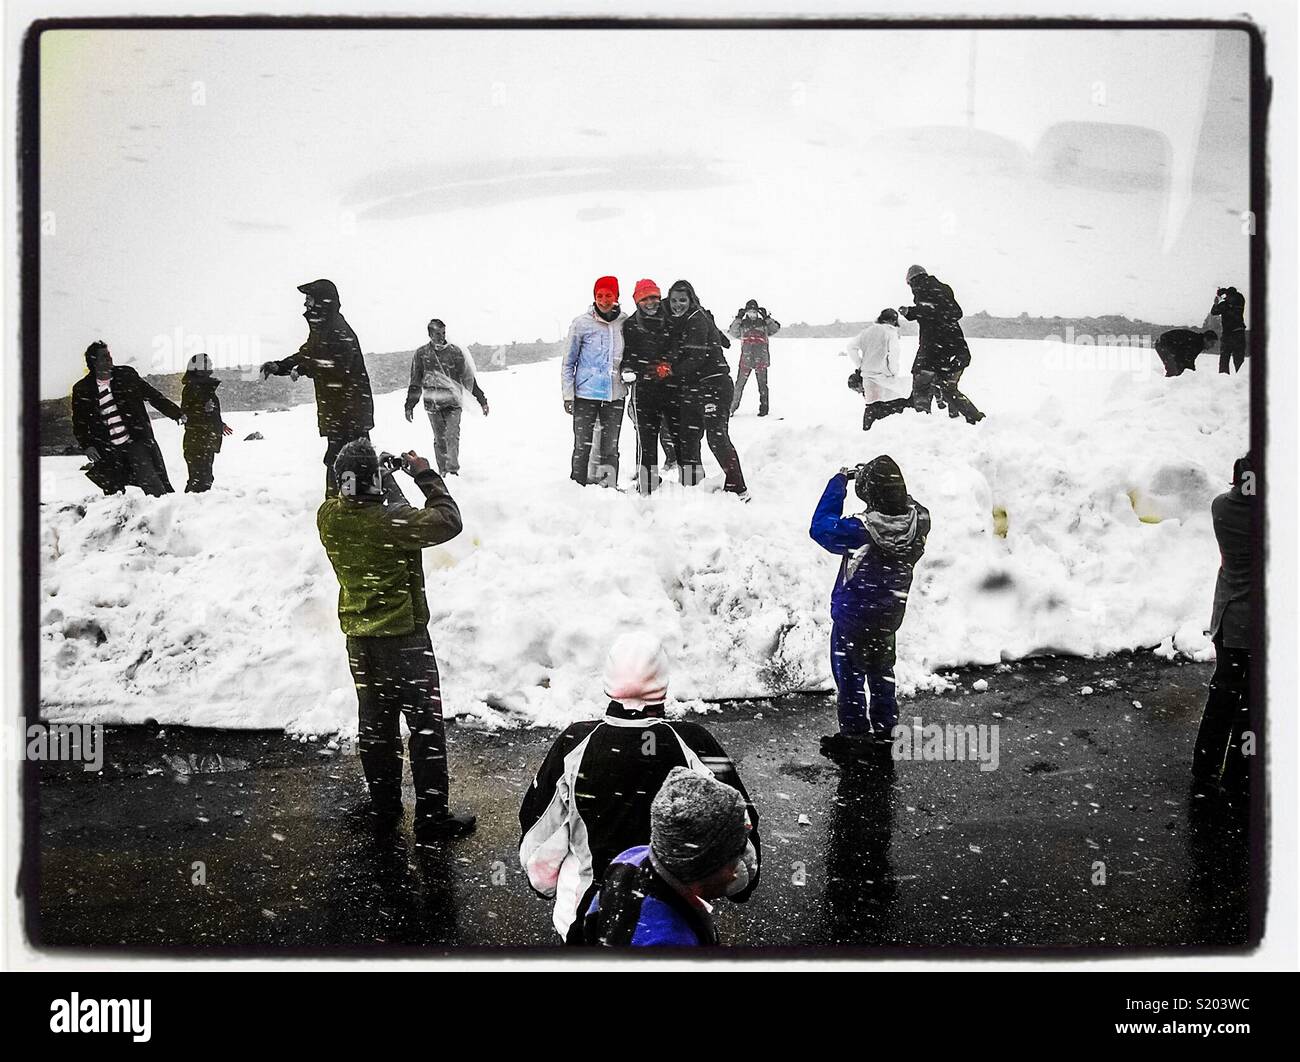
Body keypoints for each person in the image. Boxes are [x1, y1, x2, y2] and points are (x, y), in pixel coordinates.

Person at [518, 632, 761, 942]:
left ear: (608, 684)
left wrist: (545, 884)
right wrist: (739, 883)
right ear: (663, 686)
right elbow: (740, 840)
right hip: (672, 922)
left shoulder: (574, 744)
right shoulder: (693, 743)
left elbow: (540, 846)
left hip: (589, 917)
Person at [316, 439, 476, 844]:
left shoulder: (329, 518)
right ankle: (432, 818)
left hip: (360, 644)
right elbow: (447, 519)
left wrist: (380, 474)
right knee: (425, 730)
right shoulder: (393, 524)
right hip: (405, 643)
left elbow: (359, 497)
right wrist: (422, 472)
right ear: (374, 485)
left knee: (376, 729)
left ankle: (385, 808)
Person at [810, 456, 931, 763]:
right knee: (881, 674)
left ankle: (855, 736)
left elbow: (821, 527)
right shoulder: (919, 522)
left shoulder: (859, 532)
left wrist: (840, 482)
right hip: (888, 616)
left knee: (850, 678)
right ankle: (886, 731)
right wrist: (882, 482)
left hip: (853, 619)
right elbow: (905, 503)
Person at [579, 767, 756, 947]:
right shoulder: (670, 943)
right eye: (735, 857)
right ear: (703, 866)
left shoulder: (631, 858)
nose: (737, 872)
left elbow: (591, 922)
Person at [260, 279, 375, 497]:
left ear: (322, 302)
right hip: (340, 410)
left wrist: (305, 368)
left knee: (352, 460)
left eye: (309, 299)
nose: (305, 305)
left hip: (350, 410)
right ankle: (348, 503)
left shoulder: (338, 330)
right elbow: (307, 354)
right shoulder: (322, 330)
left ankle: (350, 504)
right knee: (347, 459)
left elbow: (337, 365)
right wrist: (280, 366)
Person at [1193, 454, 1254, 793]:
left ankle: (1204, 764)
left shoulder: (1221, 508)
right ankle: (1239, 774)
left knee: (1222, 694)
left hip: (1227, 620)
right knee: (1249, 703)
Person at [866, 266, 984, 429]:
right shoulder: (942, 291)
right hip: (957, 350)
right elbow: (949, 312)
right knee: (948, 389)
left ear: (912, 281)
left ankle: (919, 425)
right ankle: (977, 419)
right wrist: (914, 312)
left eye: (909, 285)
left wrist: (912, 311)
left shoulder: (923, 288)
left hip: (933, 351)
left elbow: (933, 311)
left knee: (920, 390)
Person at [71, 340, 183, 497]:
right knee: (114, 493)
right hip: (107, 447)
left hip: (135, 440)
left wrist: (176, 413)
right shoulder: (82, 389)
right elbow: (79, 422)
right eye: (104, 356)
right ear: (93, 361)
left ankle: (165, 514)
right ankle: (120, 519)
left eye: (109, 354)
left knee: (153, 485)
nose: (109, 358)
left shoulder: (126, 375)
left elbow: (153, 395)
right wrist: (87, 445)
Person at [667, 279, 748, 497]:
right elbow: (721, 340)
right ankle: (692, 487)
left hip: (715, 384)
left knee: (717, 438)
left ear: (691, 299)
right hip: (694, 388)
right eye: (674, 300)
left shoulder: (696, 319)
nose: (677, 305)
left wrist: (671, 370)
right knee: (688, 438)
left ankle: (738, 488)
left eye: (682, 300)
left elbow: (696, 356)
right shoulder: (688, 318)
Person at [561, 276, 627, 488]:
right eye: (599, 295)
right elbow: (568, 362)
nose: (604, 300)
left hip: (614, 395)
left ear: (616, 296)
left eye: (609, 295)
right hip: (585, 395)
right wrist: (568, 395)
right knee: (582, 446)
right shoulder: (581, 324)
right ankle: (577, 488)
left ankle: (609, 488)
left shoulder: (624, 322)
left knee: (610, 448)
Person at [403, 318, 489, 477]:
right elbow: (415, 380)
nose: (441, 337)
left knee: (452, 435)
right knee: (440, 439)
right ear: (430, 334)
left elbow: (468, 378)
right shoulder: (421, 354)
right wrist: (409, 405)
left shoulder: (455, 352)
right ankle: (443, 471)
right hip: (432, 404)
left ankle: (453, 470)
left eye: (443, 333)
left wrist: (482, 400)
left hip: (453, 403)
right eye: (437, 334)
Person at [620, 279, 679, 494]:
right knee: (646, 436)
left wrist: (668, 364)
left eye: (654, 297)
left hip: (672, 385)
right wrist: (628, 368)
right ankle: (647, 482)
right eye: (645, 298)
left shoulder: (670, 319)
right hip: (644, 388)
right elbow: (627, 354)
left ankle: (690, 481)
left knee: (680, 434)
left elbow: (677, 347)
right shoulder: (630, 325)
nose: (651, 302)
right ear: (637, 301)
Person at [179, 353, 233, 493]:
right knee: (199, 480)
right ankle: (189, 508)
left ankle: (196, 508)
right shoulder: (192, 387)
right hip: (196, 441)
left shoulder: (204, 387)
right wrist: (202, 409)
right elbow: (184, 415)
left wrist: (220, 425)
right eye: (207, 362)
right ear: (197, 368)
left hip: (205, 440)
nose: (211, 364)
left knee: (205, 478)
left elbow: (210, 413)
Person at [844, 309, 906, 429]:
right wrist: (893, 372)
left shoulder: (867, 331)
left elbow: (851, 347)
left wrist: (861, 365)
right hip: (884, 376)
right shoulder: (890, 333)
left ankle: (868, 431)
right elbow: (893, 355)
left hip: (867, 376)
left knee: (871, 406)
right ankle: (884, 433)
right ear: (894, 321)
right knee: (892, 405)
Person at [728, 299, 781, 417]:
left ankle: (764, 408)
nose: (752, 315)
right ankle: (731, 408)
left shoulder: (764, 325)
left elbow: (775, 329)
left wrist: (767, 318)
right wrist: (738, 318)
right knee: (739, 385)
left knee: (762, 385)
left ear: (757, 313)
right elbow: (732, 332)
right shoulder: (742, 325)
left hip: (761, 359)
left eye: (754, 312)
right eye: (750, 312)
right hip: (746, 360)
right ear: (746, 313)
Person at [1210, 287, 1247, 374]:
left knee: (1230, 360)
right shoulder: (1234, 302)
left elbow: (1214, 311)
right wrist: (1218, 301)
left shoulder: (1233, 301)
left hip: (1232, 335)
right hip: (1234, 334)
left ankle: (1230, 379)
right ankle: (1236, 380)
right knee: (1232, 361)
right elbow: (1214, 312)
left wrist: (1221, 295)